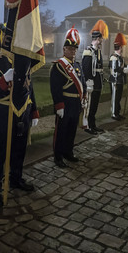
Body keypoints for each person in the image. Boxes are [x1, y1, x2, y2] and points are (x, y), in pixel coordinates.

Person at [0, 23, 39, 207]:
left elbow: (29, 87)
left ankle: (16, 178)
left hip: (22, 113)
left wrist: (34, 111)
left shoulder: (23, 63)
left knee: (19, 149)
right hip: (3, 113)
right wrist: (4, 80)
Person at [50, 26, 86, 168]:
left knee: (71, 130)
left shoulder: (77, 65)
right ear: (64, 49)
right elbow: (55, 87)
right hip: (65, 102)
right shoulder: (59, 66)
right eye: (70, 49)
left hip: (75, 103)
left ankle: (68, 152)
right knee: (61, 131)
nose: (73, 52)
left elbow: (81, 83)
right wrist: (59, 105)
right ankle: (58, 156)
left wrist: (83, 99)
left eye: (75, 49)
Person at [82, 20, 108, 134]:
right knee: (89, 106)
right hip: (91, 83)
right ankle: (87, 126)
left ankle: (93, 124)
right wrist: (88, 83)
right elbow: (86, 69)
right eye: (101, 39)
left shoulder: (98, 52)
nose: (102, 41)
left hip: (98, 83)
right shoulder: (88, 52)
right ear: (97, 39)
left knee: (94, 106)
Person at [108, 33, 128, 120]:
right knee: (115, 98)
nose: (122, 49)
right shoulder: (114, 57)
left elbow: (123, 67)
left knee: (118, 98)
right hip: (115, 80)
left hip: (120, 80)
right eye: (121, 47)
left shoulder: (120, 57)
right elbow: (115, 69)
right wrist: (125, 70)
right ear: (119, 48)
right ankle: (114, 114)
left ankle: (117, 112)